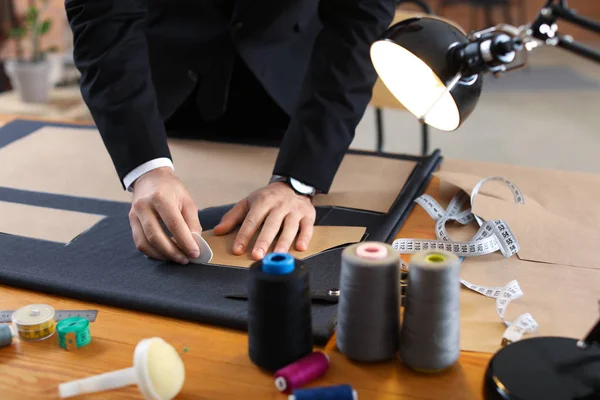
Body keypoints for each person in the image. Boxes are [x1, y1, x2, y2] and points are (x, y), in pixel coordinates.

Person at [65, 0, 395, 265]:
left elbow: (357, 26)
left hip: (287, 83)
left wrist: (298, 181)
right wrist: (147, 167)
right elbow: (102, 19)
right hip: (162, 84)